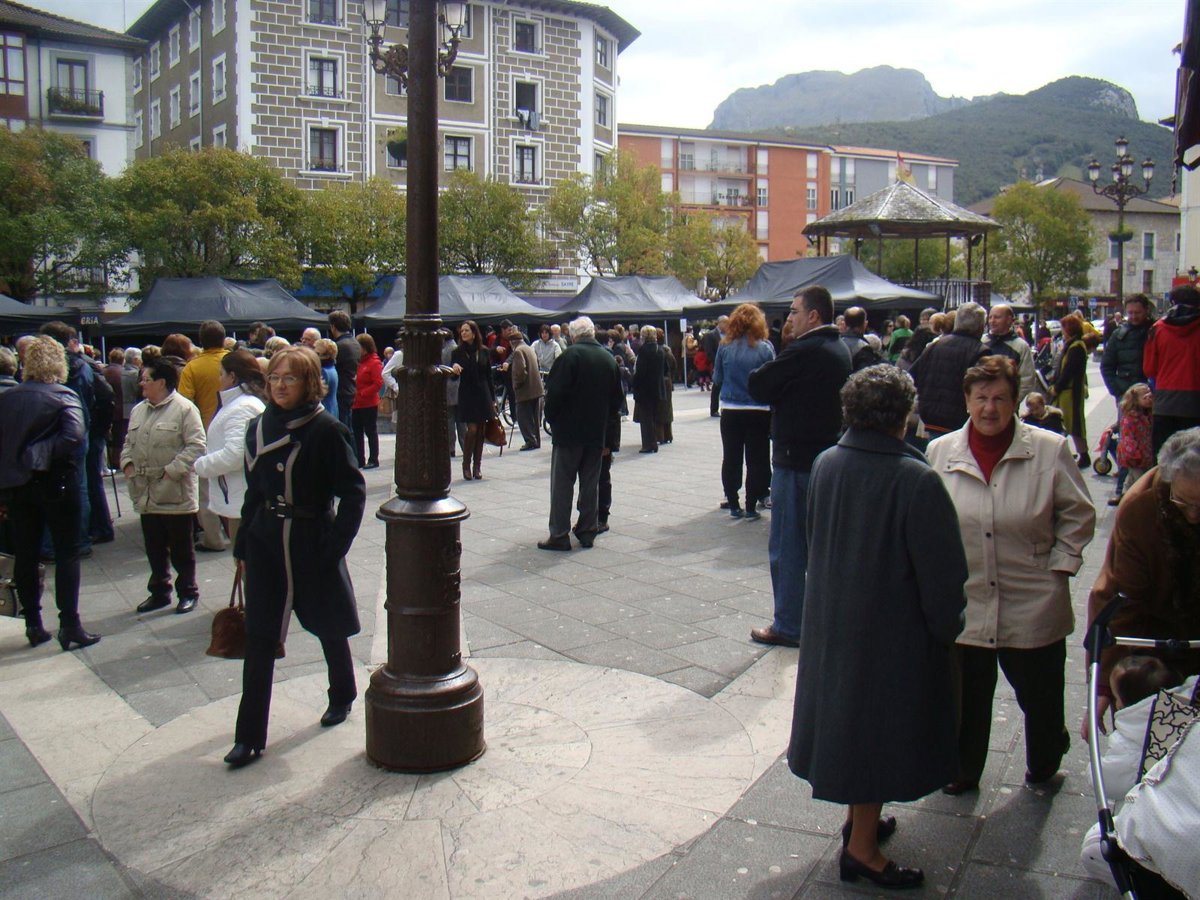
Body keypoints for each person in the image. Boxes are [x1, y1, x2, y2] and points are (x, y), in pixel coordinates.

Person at [789, 365, 967, 890]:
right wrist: (947, 627)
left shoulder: (827, 462)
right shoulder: (915, 479)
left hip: (834, 621)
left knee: (854, 729)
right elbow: (943, 575)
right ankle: (863, 851)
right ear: (904, 416)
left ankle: (860, 824)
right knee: (877, 735)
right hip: (892, 632)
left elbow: (813, 538)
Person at [927, 356, 1095, 794]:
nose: (990, 408)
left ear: (1016, 401)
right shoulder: (940, 452)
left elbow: (1078, 513)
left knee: (1040, 695)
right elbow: (930, 519)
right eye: (981, 398)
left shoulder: (1048, 449)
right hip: (969, 596)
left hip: (1033, 594)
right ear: (966, 400)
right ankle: (963, 769)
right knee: (968, 696)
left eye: (1000, 398)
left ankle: (1046, 757)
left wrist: (1062, 562)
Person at [223, 347, 366, 768]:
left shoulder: (326, 429)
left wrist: (333, 547)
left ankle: (342, 693)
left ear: (309, 383)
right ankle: (249, 736)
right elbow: (254, 492)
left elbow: (353, 494)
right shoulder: (257, 427)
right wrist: (243, 545)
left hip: (310, 539)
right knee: (260, 636)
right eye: (274, 378)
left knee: (327, 625)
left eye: (290, 378)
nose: (280, 386)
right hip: (266, 541)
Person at [747, 286, 852, 647]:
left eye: (794, 311)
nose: (789, 318)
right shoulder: (837, 347)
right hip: (824, 455)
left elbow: (759, 383)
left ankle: (790, 624)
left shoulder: (806, 349)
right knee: (820, 546)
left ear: (813, 315)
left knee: (788, 546)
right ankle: (820, 619)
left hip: (796, 460)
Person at [1083, 427, 1200, 740]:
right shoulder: (1142, 509)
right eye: (1184, 502)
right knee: (1159, 745)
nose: (1192, 516)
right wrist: (1105, 684)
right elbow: (1122, 601)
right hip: (1156, 646)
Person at [0, 336, 100, 651]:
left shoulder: (9, 398)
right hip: (56, 482)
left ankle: (33, 622)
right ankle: (69, 624)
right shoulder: (62, 395)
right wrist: (39, 454)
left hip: (19, 485)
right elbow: (74, 435)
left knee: (26, 553)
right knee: (67, 552)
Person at [121, 358, 207, 616]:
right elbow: (128, 442)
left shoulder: (185, 409)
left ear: (161, 382)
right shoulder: (139, 410)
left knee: (182, 549)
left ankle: (188, 591)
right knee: (154, 546)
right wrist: (127, 463)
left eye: (146, 379)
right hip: (145, 492)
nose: (141, 384)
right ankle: (159, 591)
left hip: (174, 491)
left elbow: (196, 445)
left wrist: (172, 471)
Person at [538, 316, 623, 551]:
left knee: (562, 485)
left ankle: (559, 534)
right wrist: (607, 434)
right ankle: (587, 530)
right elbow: (616, 402)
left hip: (568, 433)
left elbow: (554, 395)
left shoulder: (569, 357)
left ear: (573, 336)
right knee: (590, 484)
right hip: (596, 432)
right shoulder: (608, 359)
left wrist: (552, 420)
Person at [193, 351, 267, 547]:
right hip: (239, 496)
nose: (218, 379)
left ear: (232, 376)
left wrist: (200, 465)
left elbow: (235, 454)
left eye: (221, 374)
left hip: (243, 498)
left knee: (245, 557)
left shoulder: (243, 406)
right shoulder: (239, 403)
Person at [714, 304, 776, 518]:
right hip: (758, 408)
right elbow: (772, 379)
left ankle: (733, 502)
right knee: (756, 458)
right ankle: (751, 505)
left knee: (731, 457)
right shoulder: (765, 347)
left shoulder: (725, 346)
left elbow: (717, 378)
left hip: (731, 408)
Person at [179, 320, 230, 552]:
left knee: (206, 490)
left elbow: (184, 403)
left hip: (206, 432)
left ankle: (213, 538)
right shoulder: (234, 361)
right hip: (236, 429)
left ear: (200, 340)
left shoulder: (192, 368)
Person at [1143, 284, 1200, 455]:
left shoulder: (1157, 329)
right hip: (1195, 403)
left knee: (1163, 458)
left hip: (1165, 403)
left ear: (1172, 302)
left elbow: (1149, 369)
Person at [450, 320, 495, 481]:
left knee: (481, 431)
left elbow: (488, 375)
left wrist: (493, 399)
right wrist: (454, 369)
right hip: (467, 394)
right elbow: (453, 375)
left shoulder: (484, 351)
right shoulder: (457, 352)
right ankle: (466, 464)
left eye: (467, 330)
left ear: (474, 333)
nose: (463, 333)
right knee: (472, 430)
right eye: (462, 331)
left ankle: (477, 466)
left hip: (483, 393)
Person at [1049, 312, 1091, 467]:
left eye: (1063, 328)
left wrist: (1057, 387)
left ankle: (1083, 455)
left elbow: (1068, 370)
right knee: (1068, 423)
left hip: (1070, 392)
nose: (1062, 331)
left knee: (1073, 423)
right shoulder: (1072, 345)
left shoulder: (1076, 347)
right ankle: (1070, 453)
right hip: (1067, 391)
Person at [1111, 383, 1154, 507]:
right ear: (1135, 400)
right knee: (1141, 481)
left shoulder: (1147, 415)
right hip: (1135, 457)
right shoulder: (1130, 418)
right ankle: (1135, 503)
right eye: (1144, 395)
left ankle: (1126, 498)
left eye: (1149, 393)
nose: (1149, 397)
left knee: (1131, 480)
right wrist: (1134, 455)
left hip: (1145, 454)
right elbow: (1128, 438)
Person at [504, 322, 544, 451]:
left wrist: (517, 385)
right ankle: (536, 440)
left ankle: (530, 440)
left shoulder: (518, 351)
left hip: (525, 390)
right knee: (535, 418)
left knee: (523, 417)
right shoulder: (528, 348)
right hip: (536, 389)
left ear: (512, 342)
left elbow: (521, 371)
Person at [983, 304, 1036, 402]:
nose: (992, 321)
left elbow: (1027, 380)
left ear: (1009, 320)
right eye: (990, 317)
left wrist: (1011, 402)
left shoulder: (1021, 346)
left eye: (997, 317)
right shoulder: (980, 342)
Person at [632, 325, 668, 454]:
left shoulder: (643, 351)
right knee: (653, 416)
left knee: (646, 418)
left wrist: (634, 383)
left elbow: (640, 372)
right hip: (657, 388)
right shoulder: (660, 350)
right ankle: (654, 442)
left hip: (645, 389)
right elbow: (666, 369)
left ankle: (648, 444)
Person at [351, 333, 383, 469]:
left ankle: (373, 459)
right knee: (357, 432)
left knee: (370, 431)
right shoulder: (358, 362)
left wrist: (363, 393)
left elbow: (378, 383)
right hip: (356, 403)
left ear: (365, 347)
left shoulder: (374, 362)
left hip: (369, 403)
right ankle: (359, 459)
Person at [328, 310, 360, 432]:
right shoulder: (355, 342)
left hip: (340, 392)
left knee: (342, 430)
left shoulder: (339, 346)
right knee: (349, 429)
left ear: (333, 327)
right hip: (351, 389)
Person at [655, 327, 676, 445]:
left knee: (659, 409)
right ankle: (668, 435)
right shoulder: (668, 350)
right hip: (668, 381)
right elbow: (674, 365)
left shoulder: (657, 351)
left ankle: (660, 436)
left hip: (660, 381)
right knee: (667, 408)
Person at [703, 316, 727, 417]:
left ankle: (725, 408)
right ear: (720, 323)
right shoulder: (711, 335)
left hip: (727, 364)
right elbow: (709, 351)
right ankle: (714, 409)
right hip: (716, 365)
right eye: (726, 323)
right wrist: (717, 361)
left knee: (726, 387)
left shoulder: (730, 334)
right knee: (716, 387)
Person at [314, 338, 339, 420]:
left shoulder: (324, 371)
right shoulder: (332, 368)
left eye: (317, 354)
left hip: (325, 410)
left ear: (327, 356)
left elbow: (317, 394)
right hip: (332, 408)